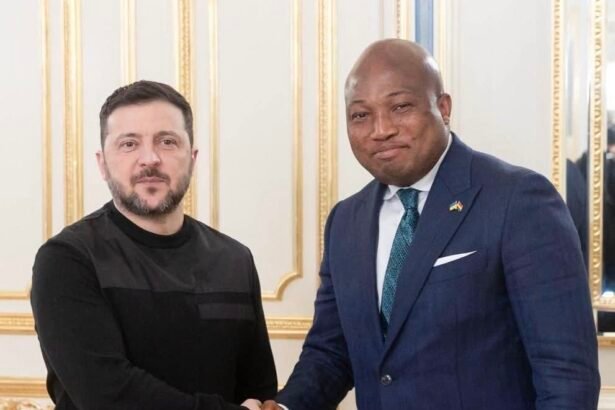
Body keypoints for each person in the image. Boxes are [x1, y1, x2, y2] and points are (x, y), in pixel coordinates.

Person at [263, 39, 600, 410]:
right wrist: (284, 407)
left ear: (443, 107)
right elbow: (331, 353)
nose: (381, 129)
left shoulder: (518, 201)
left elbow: (566, 376)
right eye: (361, 115)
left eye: (400, 107)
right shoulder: (346, 221)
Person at [31, 80, 276, 410]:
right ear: (102, 164)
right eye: (129, 144)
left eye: (167, 141)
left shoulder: (234, 259)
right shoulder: (67, 260)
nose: (150, 158)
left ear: (192, 158)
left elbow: (259, 390)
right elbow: (107, 396)